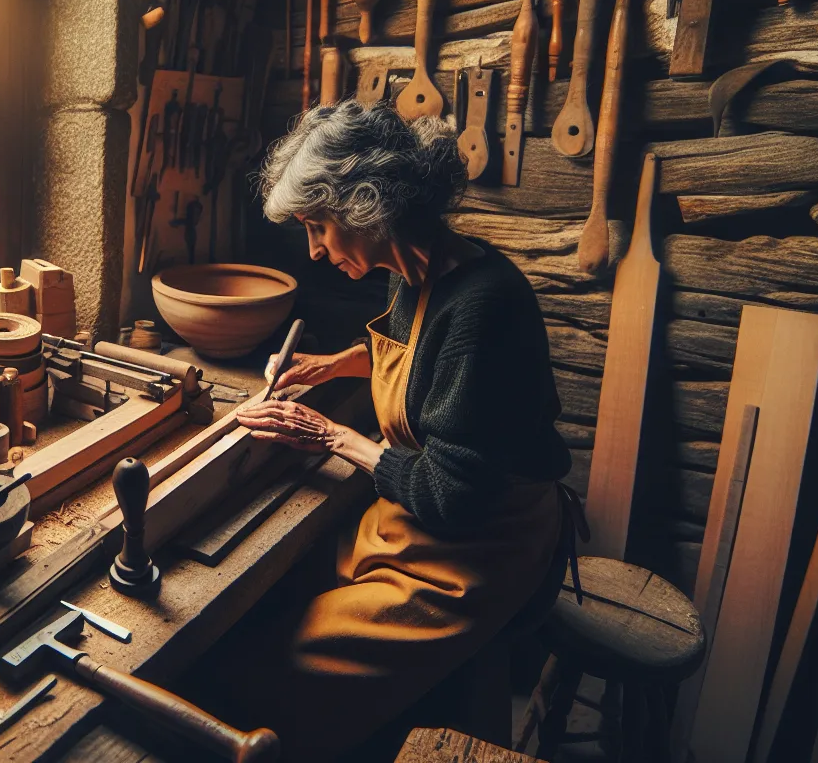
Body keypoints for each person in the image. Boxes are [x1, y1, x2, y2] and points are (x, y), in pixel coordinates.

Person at [232, 101, 578, 758]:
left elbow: (453, 496)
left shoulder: (483, 303)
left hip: (476, 549)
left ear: (365, 207)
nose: (314, 249)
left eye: (318, 226)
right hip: (419, 523)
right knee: (287, 595)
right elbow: (422, 361)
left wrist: (334, 436)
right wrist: (329, 365)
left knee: (281, 680)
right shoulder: (417, 273)